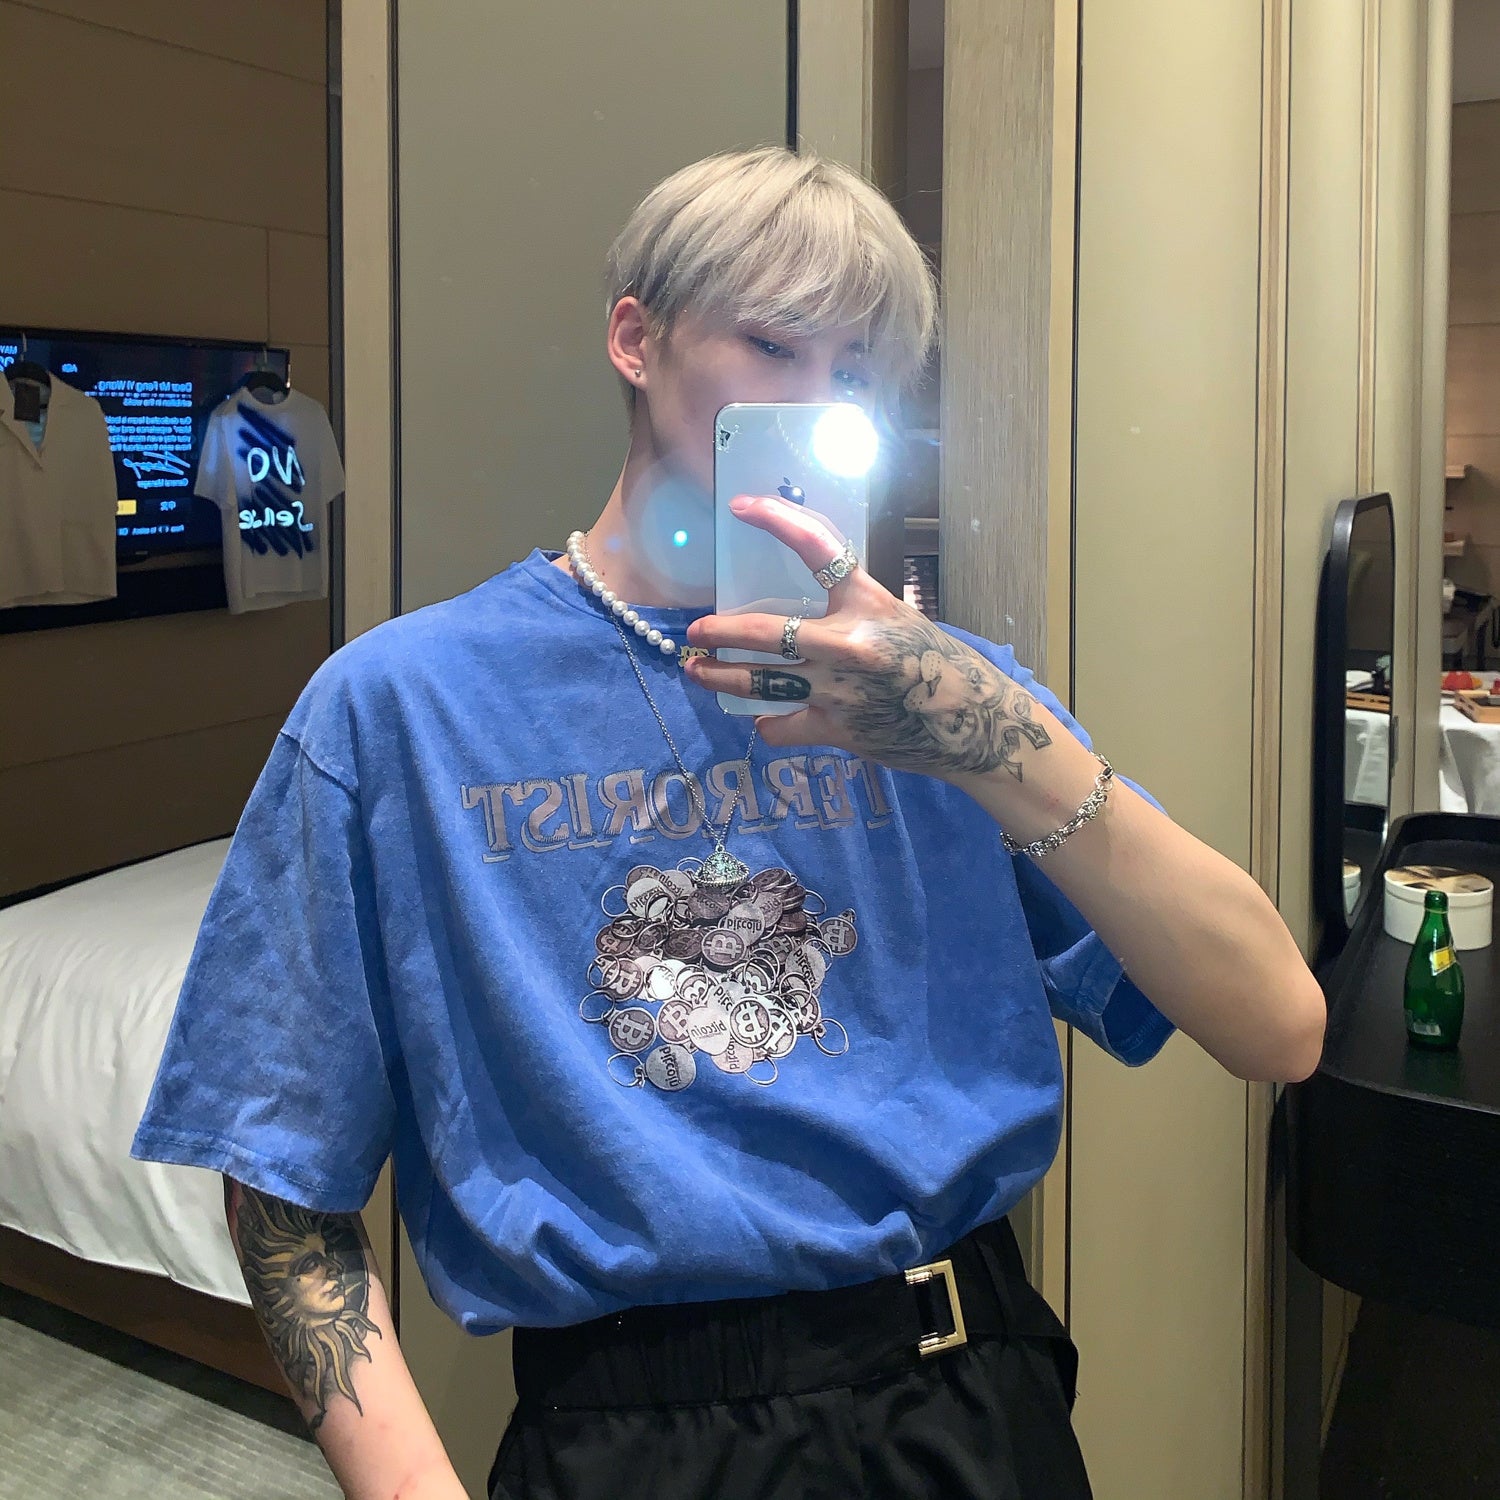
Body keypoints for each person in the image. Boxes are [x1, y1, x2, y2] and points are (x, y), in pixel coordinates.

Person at [133, 146, 1325, 1500]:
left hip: (964, 1392)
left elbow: (1278, 1025)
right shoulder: (402, 706)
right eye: (773, 345)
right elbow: (280, 1178)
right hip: (625, 1433)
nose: (816, 402)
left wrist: (999, 740)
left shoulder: (947, 695)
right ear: (634, 341)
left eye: (856, 372)